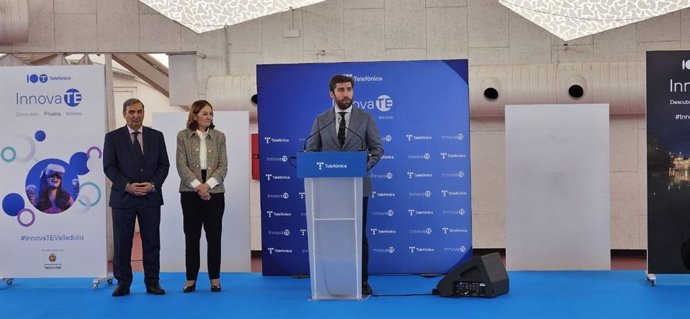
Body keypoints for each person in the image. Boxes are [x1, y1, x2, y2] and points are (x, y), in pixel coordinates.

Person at [304, 74, 384, 295]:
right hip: (329, 189)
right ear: (332, 93)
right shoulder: (322, 119)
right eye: (341, 90)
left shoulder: (365, 118)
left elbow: (377, 149)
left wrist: (362, 166)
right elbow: (311, 150)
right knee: (332, 234)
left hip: (358, 187)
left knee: (358, 235)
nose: (346, 93)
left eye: (349, 89)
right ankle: (332, 280)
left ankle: (361, 281)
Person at [103, 98, 170, 297]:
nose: (136, 115)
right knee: (122, 243)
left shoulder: (156, 136)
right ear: (124, 114)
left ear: (143, 113)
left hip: (150, 198)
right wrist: (127, 186)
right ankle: (123, 283)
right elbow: (109, 167)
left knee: (151, 241)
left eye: (139, 111)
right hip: (123, 198)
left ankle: (153, 283)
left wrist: (153, 185)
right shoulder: (112, 137)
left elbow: (163, 165)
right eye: (131, 112)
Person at [176, 100, 228, 293]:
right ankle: (191, 279)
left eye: (211, 114)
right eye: (205, 113)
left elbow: (223, 166)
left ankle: (215, 279)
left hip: (215, 191)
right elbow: (181, 166)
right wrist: (199, 187)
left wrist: (208, 186)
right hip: (190, 192)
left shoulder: (220, 137)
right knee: (192, 237)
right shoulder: (183, 136)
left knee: (214, 238)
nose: (209, 117)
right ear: (195, 115)